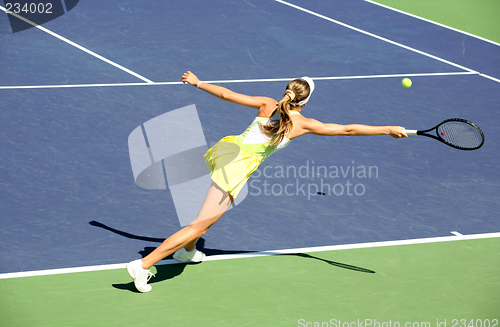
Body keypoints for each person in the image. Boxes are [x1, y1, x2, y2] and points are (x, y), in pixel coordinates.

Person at [126, 71, 408, 292]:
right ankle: (144, 264)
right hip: (236, 169)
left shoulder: (267, 104)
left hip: (229, 154)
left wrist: (198, 83)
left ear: (287, 92)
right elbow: (347, 130)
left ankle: (187, 253)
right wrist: (387, 129)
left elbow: (225, 94)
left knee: (209, 219)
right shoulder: (302, 124)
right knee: (199, 224)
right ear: (305, 102)